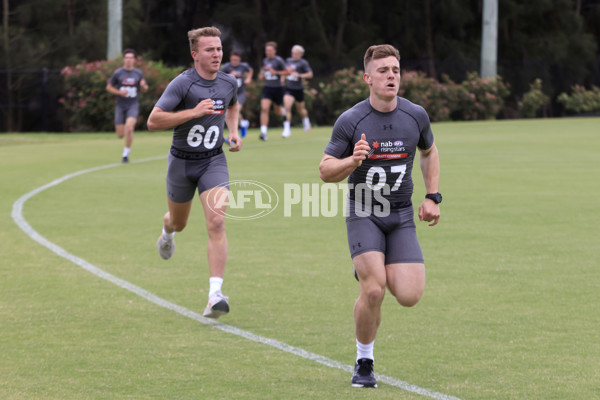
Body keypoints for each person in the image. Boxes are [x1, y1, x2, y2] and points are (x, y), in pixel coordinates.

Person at [318, 44, 441, 388]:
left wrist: (433, 196)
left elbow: (429, 152)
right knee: (374, 290)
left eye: (396, 70)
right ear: (367, 78)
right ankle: (364, 361)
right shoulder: (351, 120)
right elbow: (325, 171)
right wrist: (352, 161)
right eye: (384, 70)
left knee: (409, 295)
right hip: (364, 212)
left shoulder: (415, 115)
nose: (391, 76)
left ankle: (368, 266)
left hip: (400, 214)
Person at [147, 27, 242, 319]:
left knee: (216, 221)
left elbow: (233, 106)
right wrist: (193, 112)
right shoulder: (182, 84)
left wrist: (234, 132)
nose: (217, 54)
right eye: (210, 50)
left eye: (219, 49)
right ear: (195, 54)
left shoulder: (229, 83)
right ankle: (166, 232)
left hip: (213, 161)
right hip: (181, 163)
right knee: (179, 223)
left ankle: (215, 295)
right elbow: (153, 121)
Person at [106, 48, 149, 163]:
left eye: (131, 58)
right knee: (120, 134)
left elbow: (144, 88)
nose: (128, 60)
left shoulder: (138, 73)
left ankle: (125, 155)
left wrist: (144, 86)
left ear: (134, 60)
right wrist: (119, 92)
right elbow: (109, 87)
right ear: (124, 59)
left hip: (132, 105)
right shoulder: (118, 73)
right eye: (126, 58)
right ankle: (125, 145)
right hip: (120, 105)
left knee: (129, 128)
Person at [258, 41, 289, 141]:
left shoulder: (279, 60)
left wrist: (276, 72)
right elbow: (263, 72)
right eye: (266, 50)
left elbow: (288, 72)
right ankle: (263, 132)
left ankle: (286, 126)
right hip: (267, 88)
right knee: (264, 108)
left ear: (275, 51)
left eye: (270, 50)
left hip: (278, 88)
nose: (268, 52)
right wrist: (261, 75)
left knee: (277, 111)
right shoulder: (265, 60)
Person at [282, 45, 313, 138]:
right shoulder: (288, 61)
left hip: (298, 89)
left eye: (296, 53)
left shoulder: (303, 63)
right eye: (293, 53)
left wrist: (299, 75)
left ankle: (306, 122)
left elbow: (310, 74)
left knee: (301, 110)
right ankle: (286, 129)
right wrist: (282, 78)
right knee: (287, 107)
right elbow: (284, 71)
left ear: (300, 54)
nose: (294, 55)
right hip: (289, 88)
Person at [221, 50, 254, 137]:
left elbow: (250, 70)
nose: (234, 61)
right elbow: (220, 77)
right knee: (229, 113)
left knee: (236, 109)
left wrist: (248, 79)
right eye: (232, 60)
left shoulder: (243, 66)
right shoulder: (226, 67)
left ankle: (232, 135)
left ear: (239, 59)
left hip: (240, 92)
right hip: (230, 93)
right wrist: (229, 76)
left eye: (236, 60)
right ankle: (243, 123)